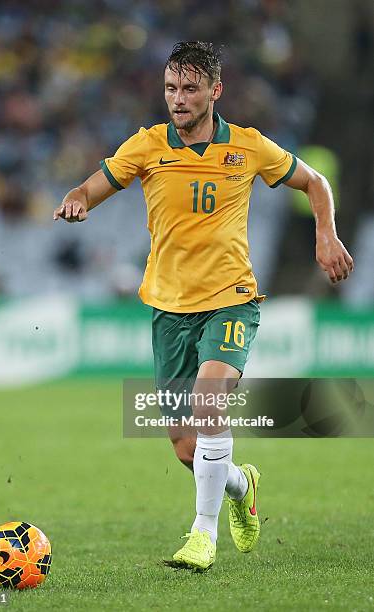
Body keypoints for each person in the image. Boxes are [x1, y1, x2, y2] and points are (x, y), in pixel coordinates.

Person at [53, 41, 354, 570]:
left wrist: (325, 235)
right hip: (169, 308)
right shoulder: (146, 146)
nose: (178, 98)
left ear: (215, 91)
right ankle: (243, 485)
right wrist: (77, 198)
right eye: (171, 88)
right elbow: (93, 186)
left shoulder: (249, 146)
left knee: (209, 401)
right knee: (188, 448)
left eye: (189, 88)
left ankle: (202, 535)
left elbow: (315, 181)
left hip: (231, 300)